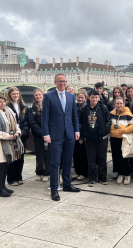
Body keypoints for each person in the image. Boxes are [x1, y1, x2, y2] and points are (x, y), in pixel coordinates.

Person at [41, 73, 81, 201]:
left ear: (67, 82)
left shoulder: (70, 96)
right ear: (55, 82)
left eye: (64, 81)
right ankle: (54, 188)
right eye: (59, 81)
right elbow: (45, 118)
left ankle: (67, 184)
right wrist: (46, 134)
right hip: (55, 135)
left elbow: (74, 115)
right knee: (55, 162)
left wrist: (77, 130)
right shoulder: (48, 96)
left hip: (69, 133)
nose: (62, 83)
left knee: (68, 161)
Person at [0, 95, 24, 197]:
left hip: (8, 143)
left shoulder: (8, 111)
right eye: (0, 102)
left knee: (6, 165)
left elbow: (16, 124)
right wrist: (8, 136)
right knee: (1, 166)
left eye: (4, 101)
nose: (3, 104)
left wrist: (17, 133)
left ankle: (3, 186)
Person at [79, 90, 111, 187]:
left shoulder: (103, 107)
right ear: (89, 97)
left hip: (102, 137)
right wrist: (82, 136)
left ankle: (103, 177)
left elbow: (108, 120)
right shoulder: (84, 108)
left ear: (99, 98)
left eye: (96, 97)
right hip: (89, 138)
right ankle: (92, 178)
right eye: (92, 97)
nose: (94, 99)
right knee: (91, 159)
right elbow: (80, 123)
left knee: (102, 158)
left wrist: (105, 130)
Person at [110, 97, 133, 185]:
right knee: (116, 157)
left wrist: (124, 130)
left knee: (124, 157)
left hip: (123, 138)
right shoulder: (111, 113)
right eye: (117, 103)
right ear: (114, 104)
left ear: (124, 104)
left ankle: (127, 174)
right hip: (114, 138)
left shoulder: (127, 113)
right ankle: (120, 174)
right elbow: (108, 123)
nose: (119, 105)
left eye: (121, 103)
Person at [6, 87, 29, 186]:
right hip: (11, 136)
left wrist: (22, 133)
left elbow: (27, 122)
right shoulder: (6, 106)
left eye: (17, 94)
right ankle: (11, 179)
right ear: (9, 95)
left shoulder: (24, 106)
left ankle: (19, 177)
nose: (16, 96)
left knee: (20, 157)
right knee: (12, 157)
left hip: (21, 136)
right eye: (13, 94)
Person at [27, 89, 50, 182]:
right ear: (34, 97)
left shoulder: (48, 106)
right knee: (39, 154)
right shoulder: (31, 109)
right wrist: (42, 133)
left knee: (48, 155)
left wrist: (47, 133)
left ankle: (47, 173)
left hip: (48, 135)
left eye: (40, 95)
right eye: (36, 95)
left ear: (43, 95)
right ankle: (38, 172)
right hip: (38, 136)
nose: (38, 97)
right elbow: (32, 123)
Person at [72, 91, 88, 180]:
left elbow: (85, 124)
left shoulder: (86, 107)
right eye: (79, 97)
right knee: (76, 154)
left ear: (85, 98)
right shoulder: (74, 106)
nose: (80, 99)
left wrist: (82, 137)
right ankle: (77, 171)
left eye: (82, 98)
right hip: (74, 134)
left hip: (82, 135)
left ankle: (83, 172)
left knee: (83, 155)